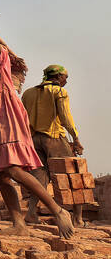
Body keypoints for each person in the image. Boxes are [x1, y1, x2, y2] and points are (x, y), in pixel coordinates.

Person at [0, 7, 73, 238]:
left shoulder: (0, 60)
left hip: (4, 116)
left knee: (13, 169)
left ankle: (58, 211)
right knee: (0, 173)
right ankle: (18, 222)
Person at [22, 64, 85, 226]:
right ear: (58, 77)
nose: (66, 81)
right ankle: (77, 219)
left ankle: (30, 214)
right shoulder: (59, 92)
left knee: (39, 179)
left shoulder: (28, 93)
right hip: (54, 137)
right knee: (73, 176)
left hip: (33, 140)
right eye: (65, 77)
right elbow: (65, 117)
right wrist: (76, 138)